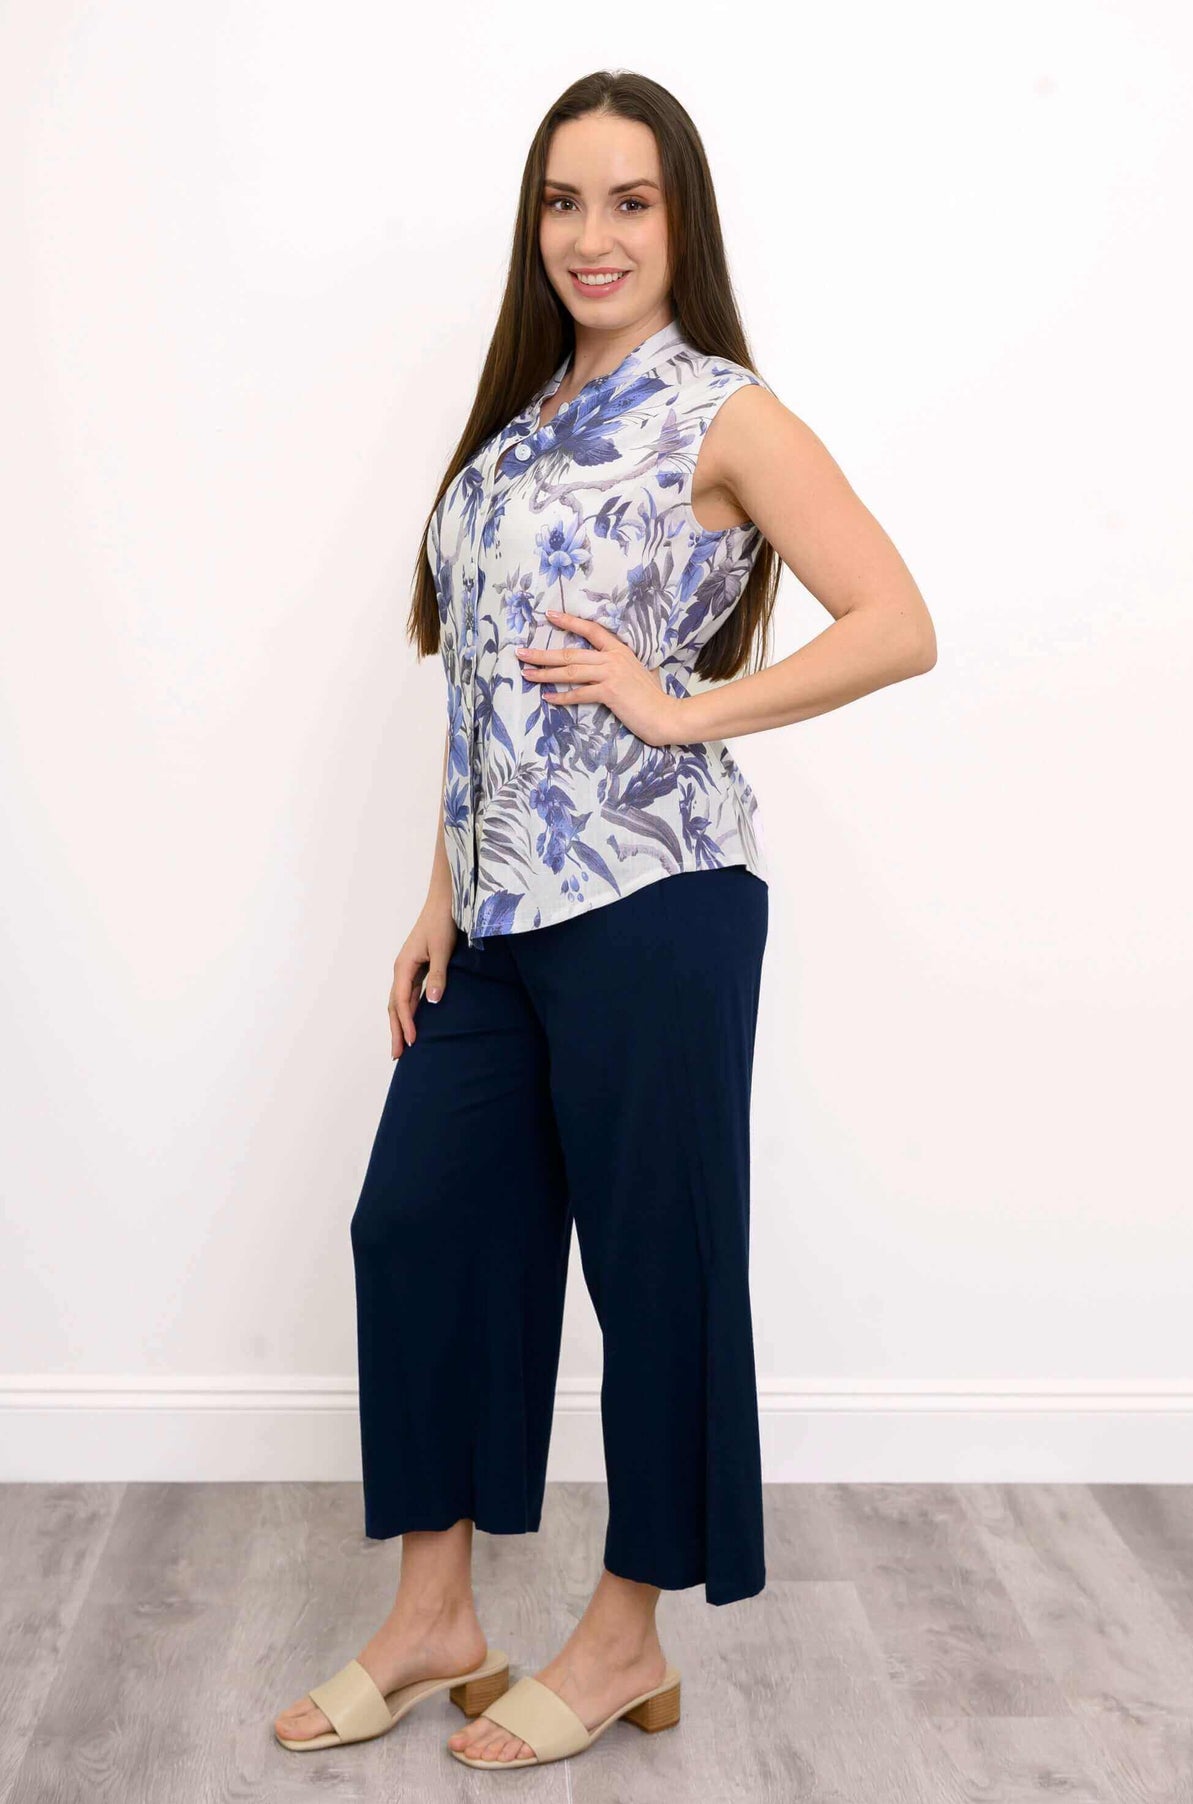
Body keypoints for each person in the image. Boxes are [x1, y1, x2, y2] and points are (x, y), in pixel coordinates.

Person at [273, 68, 936, 1773]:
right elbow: (480, 693)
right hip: (499, 926)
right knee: (416, 1225)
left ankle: (630, 1634)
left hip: (660, 907)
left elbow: (898, 621)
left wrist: (686, 709)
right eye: (566, 202)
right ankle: (437, 1617)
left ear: (678, 221)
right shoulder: (508, 438)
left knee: (658, 1277)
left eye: (629, 201)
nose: (593, 234)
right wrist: (438, 900)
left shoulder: (727, 413)